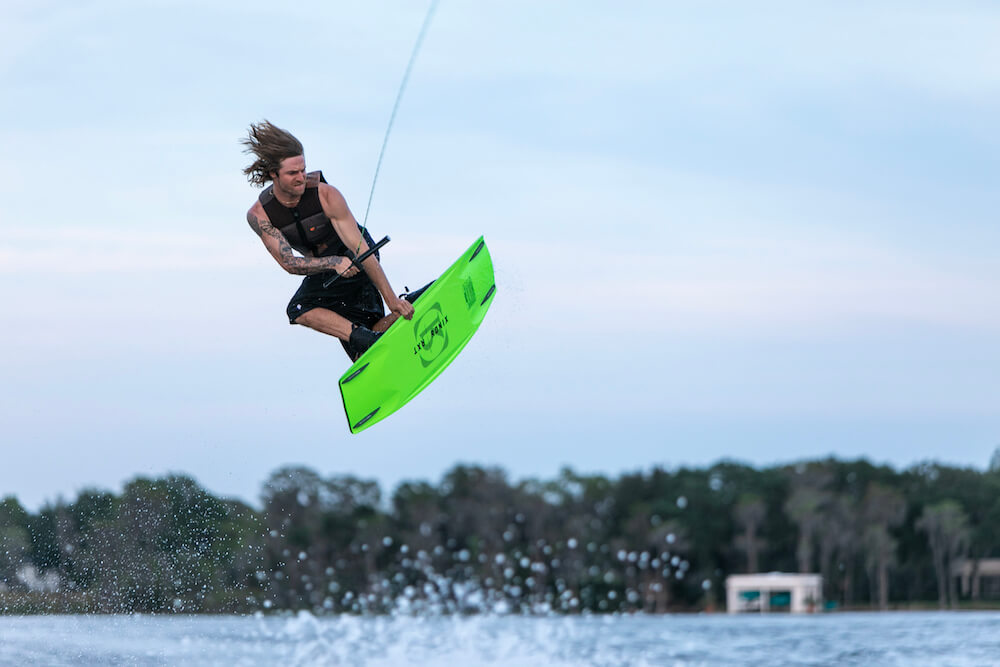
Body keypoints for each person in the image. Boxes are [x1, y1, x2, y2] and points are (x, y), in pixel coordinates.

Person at [242, 120, 415, 360]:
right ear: (274, 173)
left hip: (358, 256)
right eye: (293, 173)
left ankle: (403, 305)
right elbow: (289, 263)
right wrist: (333, 263)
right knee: (303, 310)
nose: (301, 177)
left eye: (303, 170)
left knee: (306, 309)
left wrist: (391, 298)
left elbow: (360, 248)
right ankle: (386, 326)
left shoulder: (326, 195)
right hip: (328, 267)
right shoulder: (260, 215)